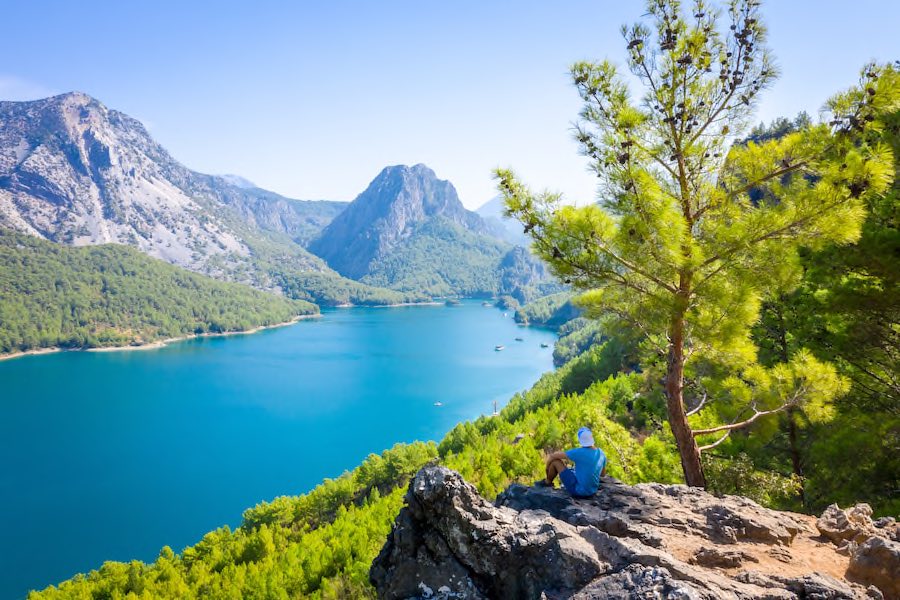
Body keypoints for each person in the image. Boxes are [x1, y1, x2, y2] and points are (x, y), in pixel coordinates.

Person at [536, 426, 606, 497]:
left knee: (556, 462)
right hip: (592, 491)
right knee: (571, 469)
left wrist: (547, 468)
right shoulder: (601, 453)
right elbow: (602, 474)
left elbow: (553, 456)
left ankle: (548, 482)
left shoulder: (579, 452)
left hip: (578, 491)